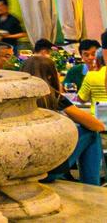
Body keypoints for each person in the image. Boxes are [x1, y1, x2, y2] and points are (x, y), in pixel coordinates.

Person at [23, 55, 104, 186]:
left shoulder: (19, 96)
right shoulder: (51, 97)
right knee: (91, 133)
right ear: (50, 76)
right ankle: (92, 186)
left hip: (23, 168)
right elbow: (97, 125)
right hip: (48, 170)